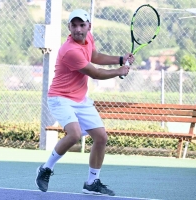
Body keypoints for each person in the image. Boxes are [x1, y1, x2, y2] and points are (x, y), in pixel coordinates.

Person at [35, 9, 135, 196]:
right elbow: (95, 72)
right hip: (60, 98)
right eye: (74, 25)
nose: (78, 29)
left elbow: (95, 56)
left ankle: (91, 182)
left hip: (80, 99)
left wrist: (121, 59)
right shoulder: (70, 50)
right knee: (74, 135)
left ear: (89, 26)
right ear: (69, 27)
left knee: (101, 137)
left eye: (82, 25)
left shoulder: (88, 39)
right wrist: (119, 71)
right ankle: (46, 168)